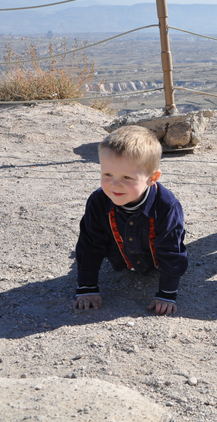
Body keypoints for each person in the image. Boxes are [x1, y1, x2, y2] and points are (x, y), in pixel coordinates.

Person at [73, 125, 188, 316]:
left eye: (127, 177)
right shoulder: (98, 202)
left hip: (154, 262)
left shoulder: (166, 206)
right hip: (119, 258)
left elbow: (171, 250)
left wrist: (167, 293)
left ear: (152, 178)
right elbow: (89, 244)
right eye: (107, 174)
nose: (115, 184)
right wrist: (87, 287)